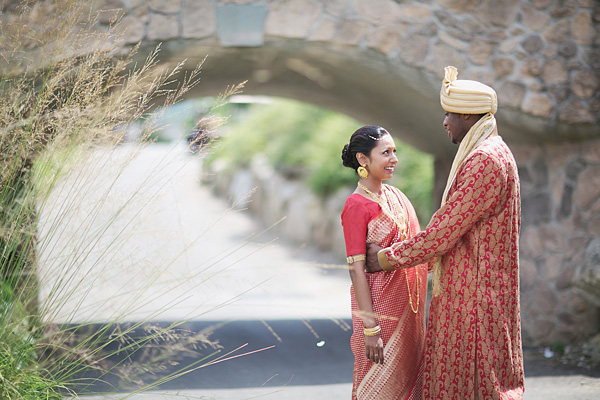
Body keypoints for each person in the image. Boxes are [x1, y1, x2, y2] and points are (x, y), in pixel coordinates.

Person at [365, 66, 524, 399]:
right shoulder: (496, 152)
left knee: (475, 387)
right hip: (478, 292)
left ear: (468, 115)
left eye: (449, 114)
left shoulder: (484, 161)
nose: (444, 122)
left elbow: (441, 235)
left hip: (473, 299)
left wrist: (383, 258)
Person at [340, 125, 428, 400]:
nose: (394, 159)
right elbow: (356, 270)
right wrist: (370, 329)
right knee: (377, 389)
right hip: (381, 313)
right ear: (363, 160)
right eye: (386, 152)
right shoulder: (356, 205)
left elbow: (419, 246)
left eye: (394, 151)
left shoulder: (396, 196)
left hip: (410, 309)